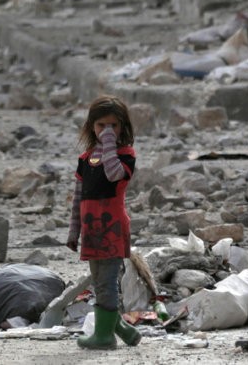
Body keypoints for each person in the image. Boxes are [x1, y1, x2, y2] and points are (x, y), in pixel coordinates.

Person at [66, 95, 141, 350]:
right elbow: (78, 198)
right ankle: (122, 331)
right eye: (101, 126)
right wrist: (73, 232)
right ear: (91, 126)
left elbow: (113, 173)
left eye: (114, 126)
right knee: (99, 282)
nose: (107, 131)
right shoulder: (85, 159)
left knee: (107, 283)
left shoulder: (125, 155)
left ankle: (105, 337)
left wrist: (108, 143)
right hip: (91, 231)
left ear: (122, 127)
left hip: (111, 230)